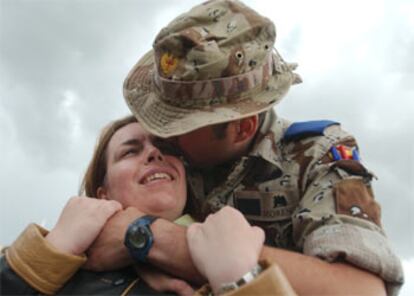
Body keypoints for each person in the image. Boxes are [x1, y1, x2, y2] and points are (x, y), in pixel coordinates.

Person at [86, 0, 404, 295]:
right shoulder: (168, 161)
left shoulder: (316, 155)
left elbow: (360, 289)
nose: (160, 138)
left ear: (241, 128)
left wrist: (159, 243)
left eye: (179, 127)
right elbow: (97, 235)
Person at [0, 115, 296, 295]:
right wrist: (46, 254)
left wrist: (241, 281)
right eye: (130, 152)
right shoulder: (53, 257)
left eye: (166, 148)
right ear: (102, 194)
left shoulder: (238, 249)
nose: (154, 153)